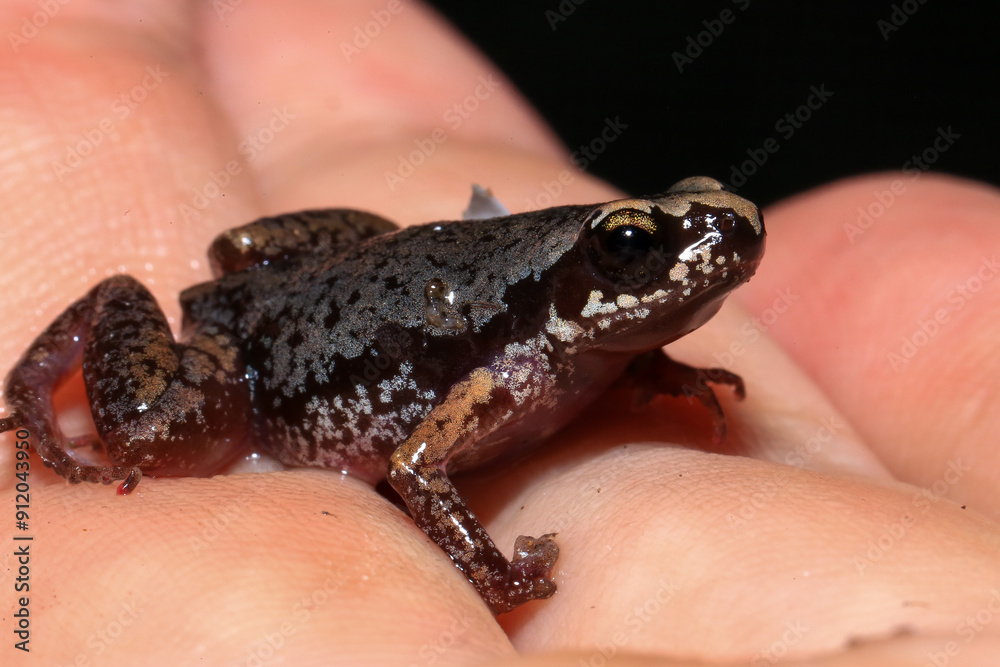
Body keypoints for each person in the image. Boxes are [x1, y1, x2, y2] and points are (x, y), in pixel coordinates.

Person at [2, 2, 999, 664]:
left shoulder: (576, 339)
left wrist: (645, 357)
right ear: (576, 281)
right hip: (255, 358)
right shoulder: (515, 360)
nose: (703, 241)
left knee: (263, 246)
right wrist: (496, 573)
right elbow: (419, 460)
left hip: (383, 282)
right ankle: (32, 382)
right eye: (630, 246)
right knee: (155, 430)